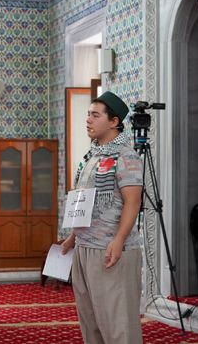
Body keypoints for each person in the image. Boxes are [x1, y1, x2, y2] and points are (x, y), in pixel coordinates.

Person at [61, 91, 144, 344]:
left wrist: (118, 240)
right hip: (86, 247)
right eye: (88, 114)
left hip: (110, 250)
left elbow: (133, 201)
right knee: (91, 322)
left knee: (118, 324)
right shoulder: (92, 156)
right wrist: (73, 236)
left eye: (95, 115)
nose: (88, 119)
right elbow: (86, 201)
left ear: (114, 121)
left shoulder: (126, 156)